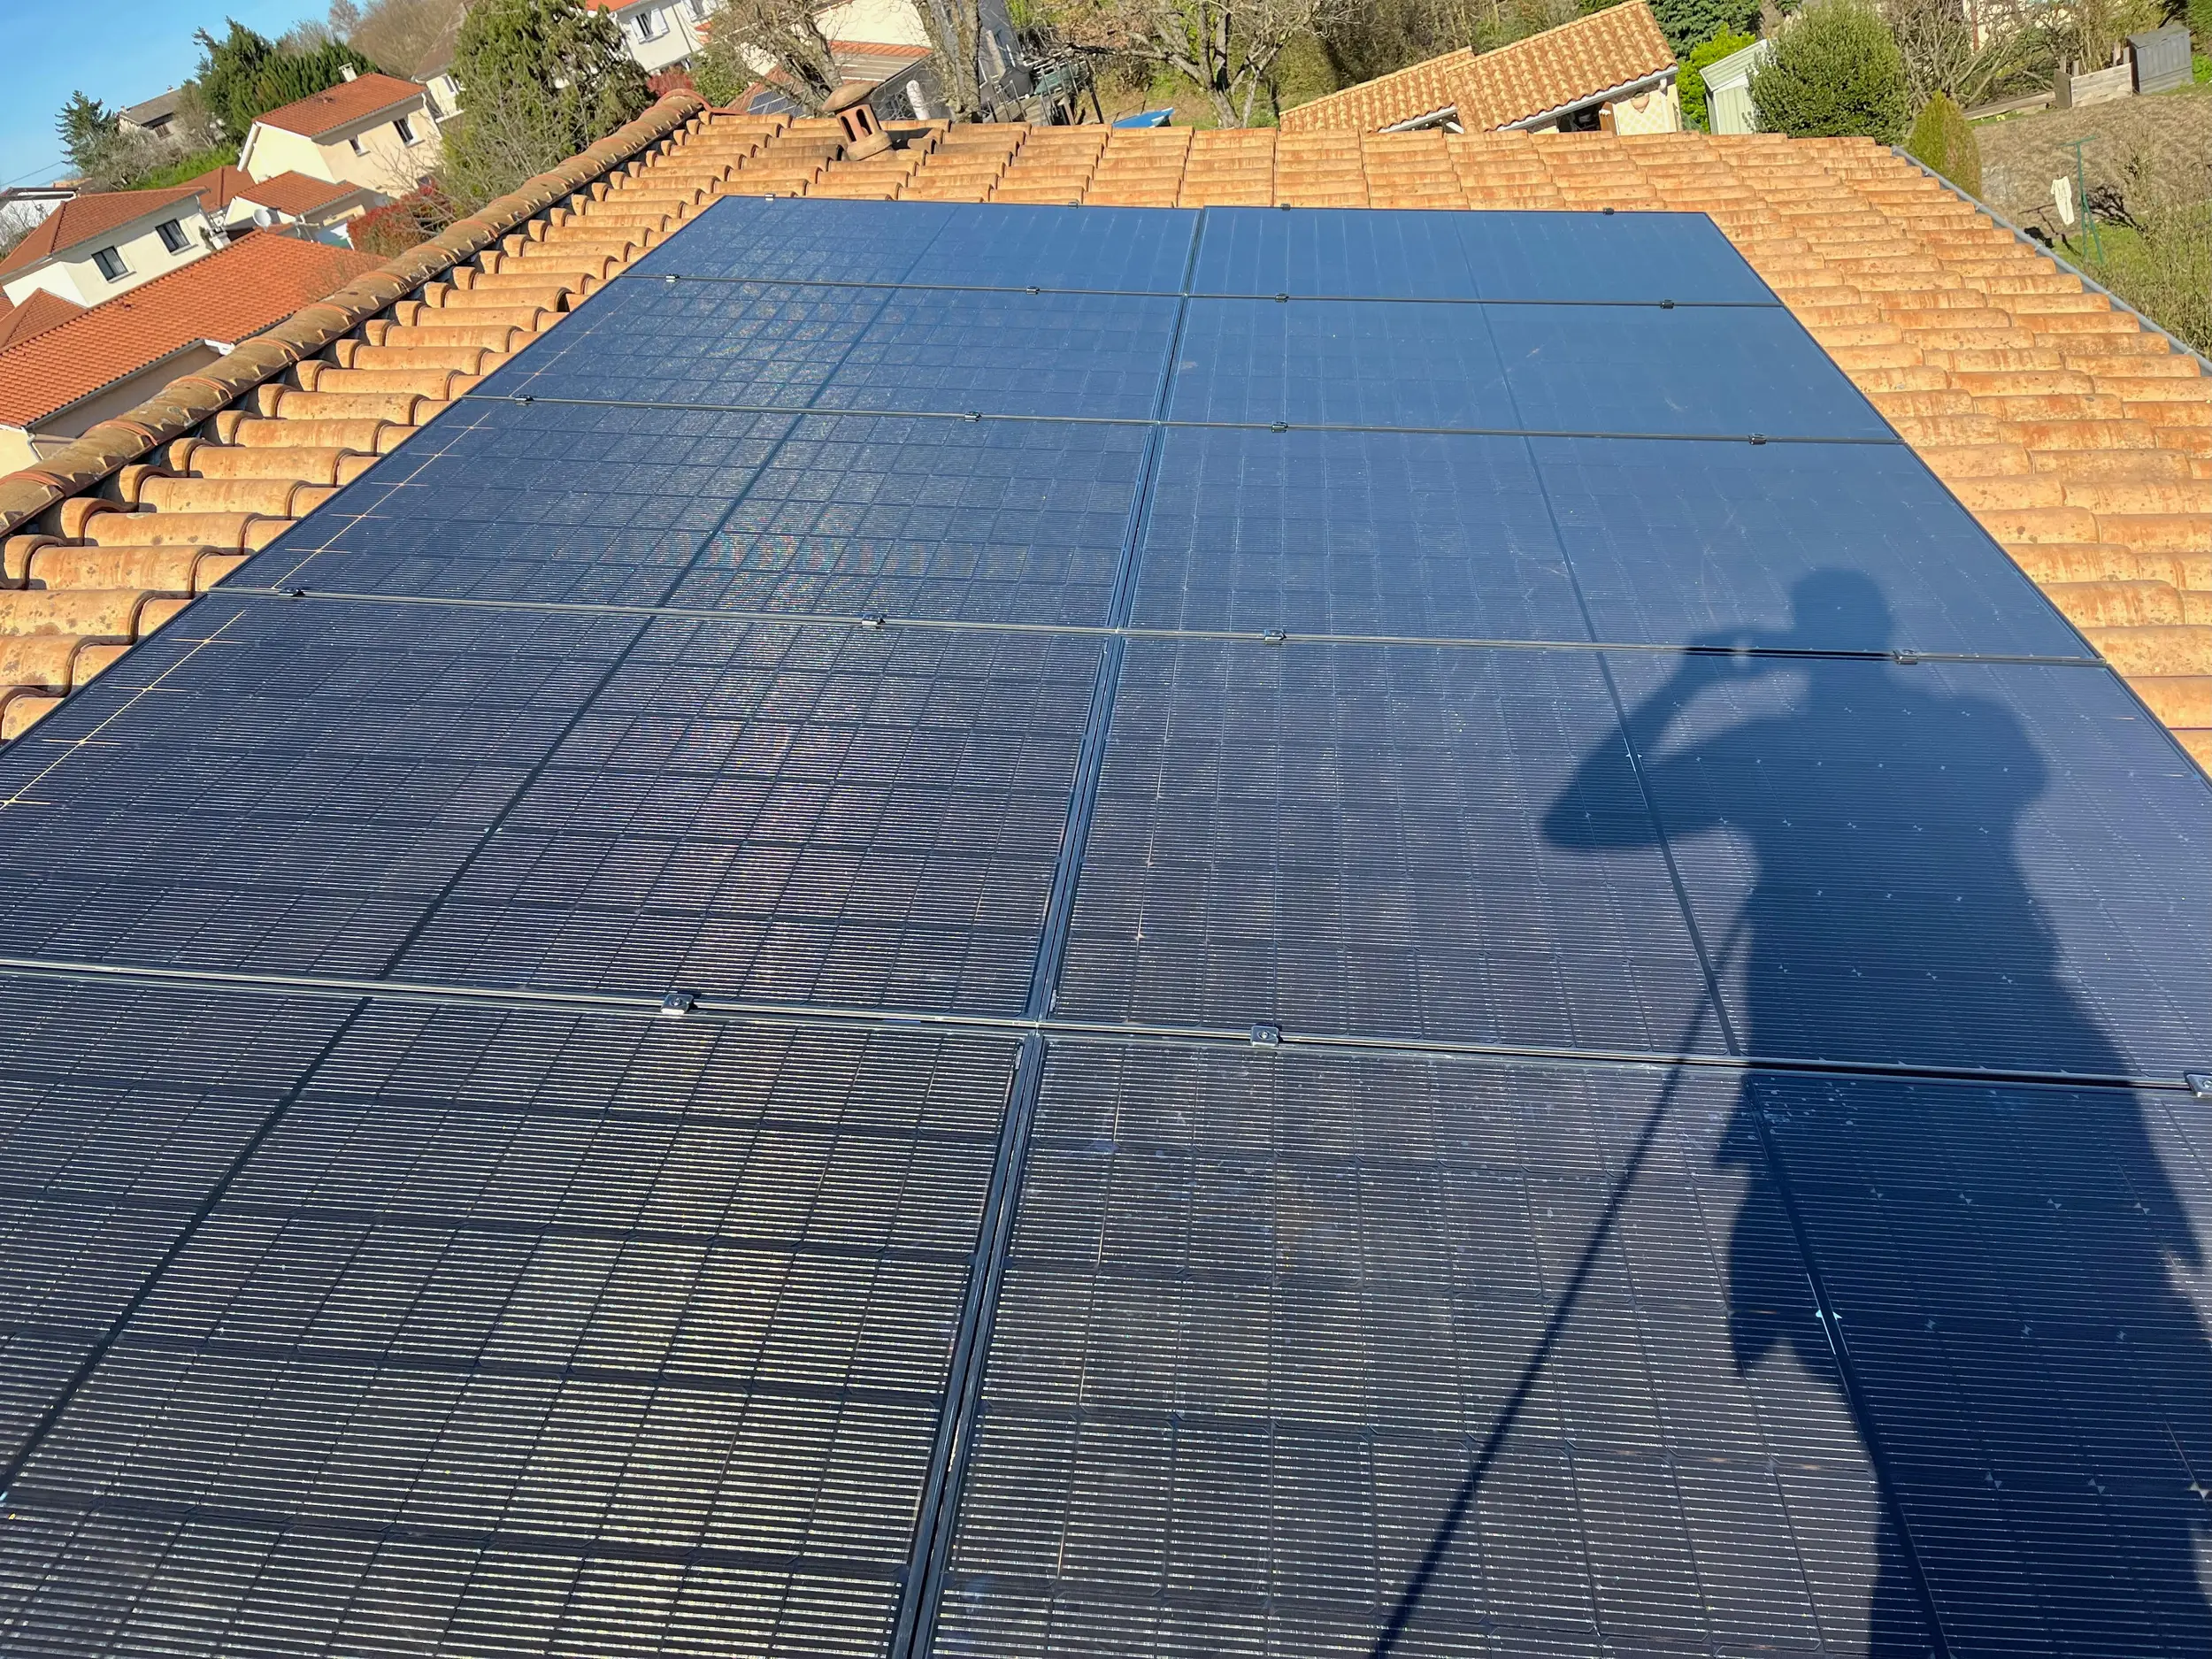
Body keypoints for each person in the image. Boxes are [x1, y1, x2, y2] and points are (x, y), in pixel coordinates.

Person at [1542, 570, 2212, 1654]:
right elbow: (2017, 777)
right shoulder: (1973, 726)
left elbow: (1580, 821)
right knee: (2041, 1280)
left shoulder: (1763, 754)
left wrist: (1684, 689)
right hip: (2010, 1015)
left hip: (1835, 1024)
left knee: (1903, 1316)